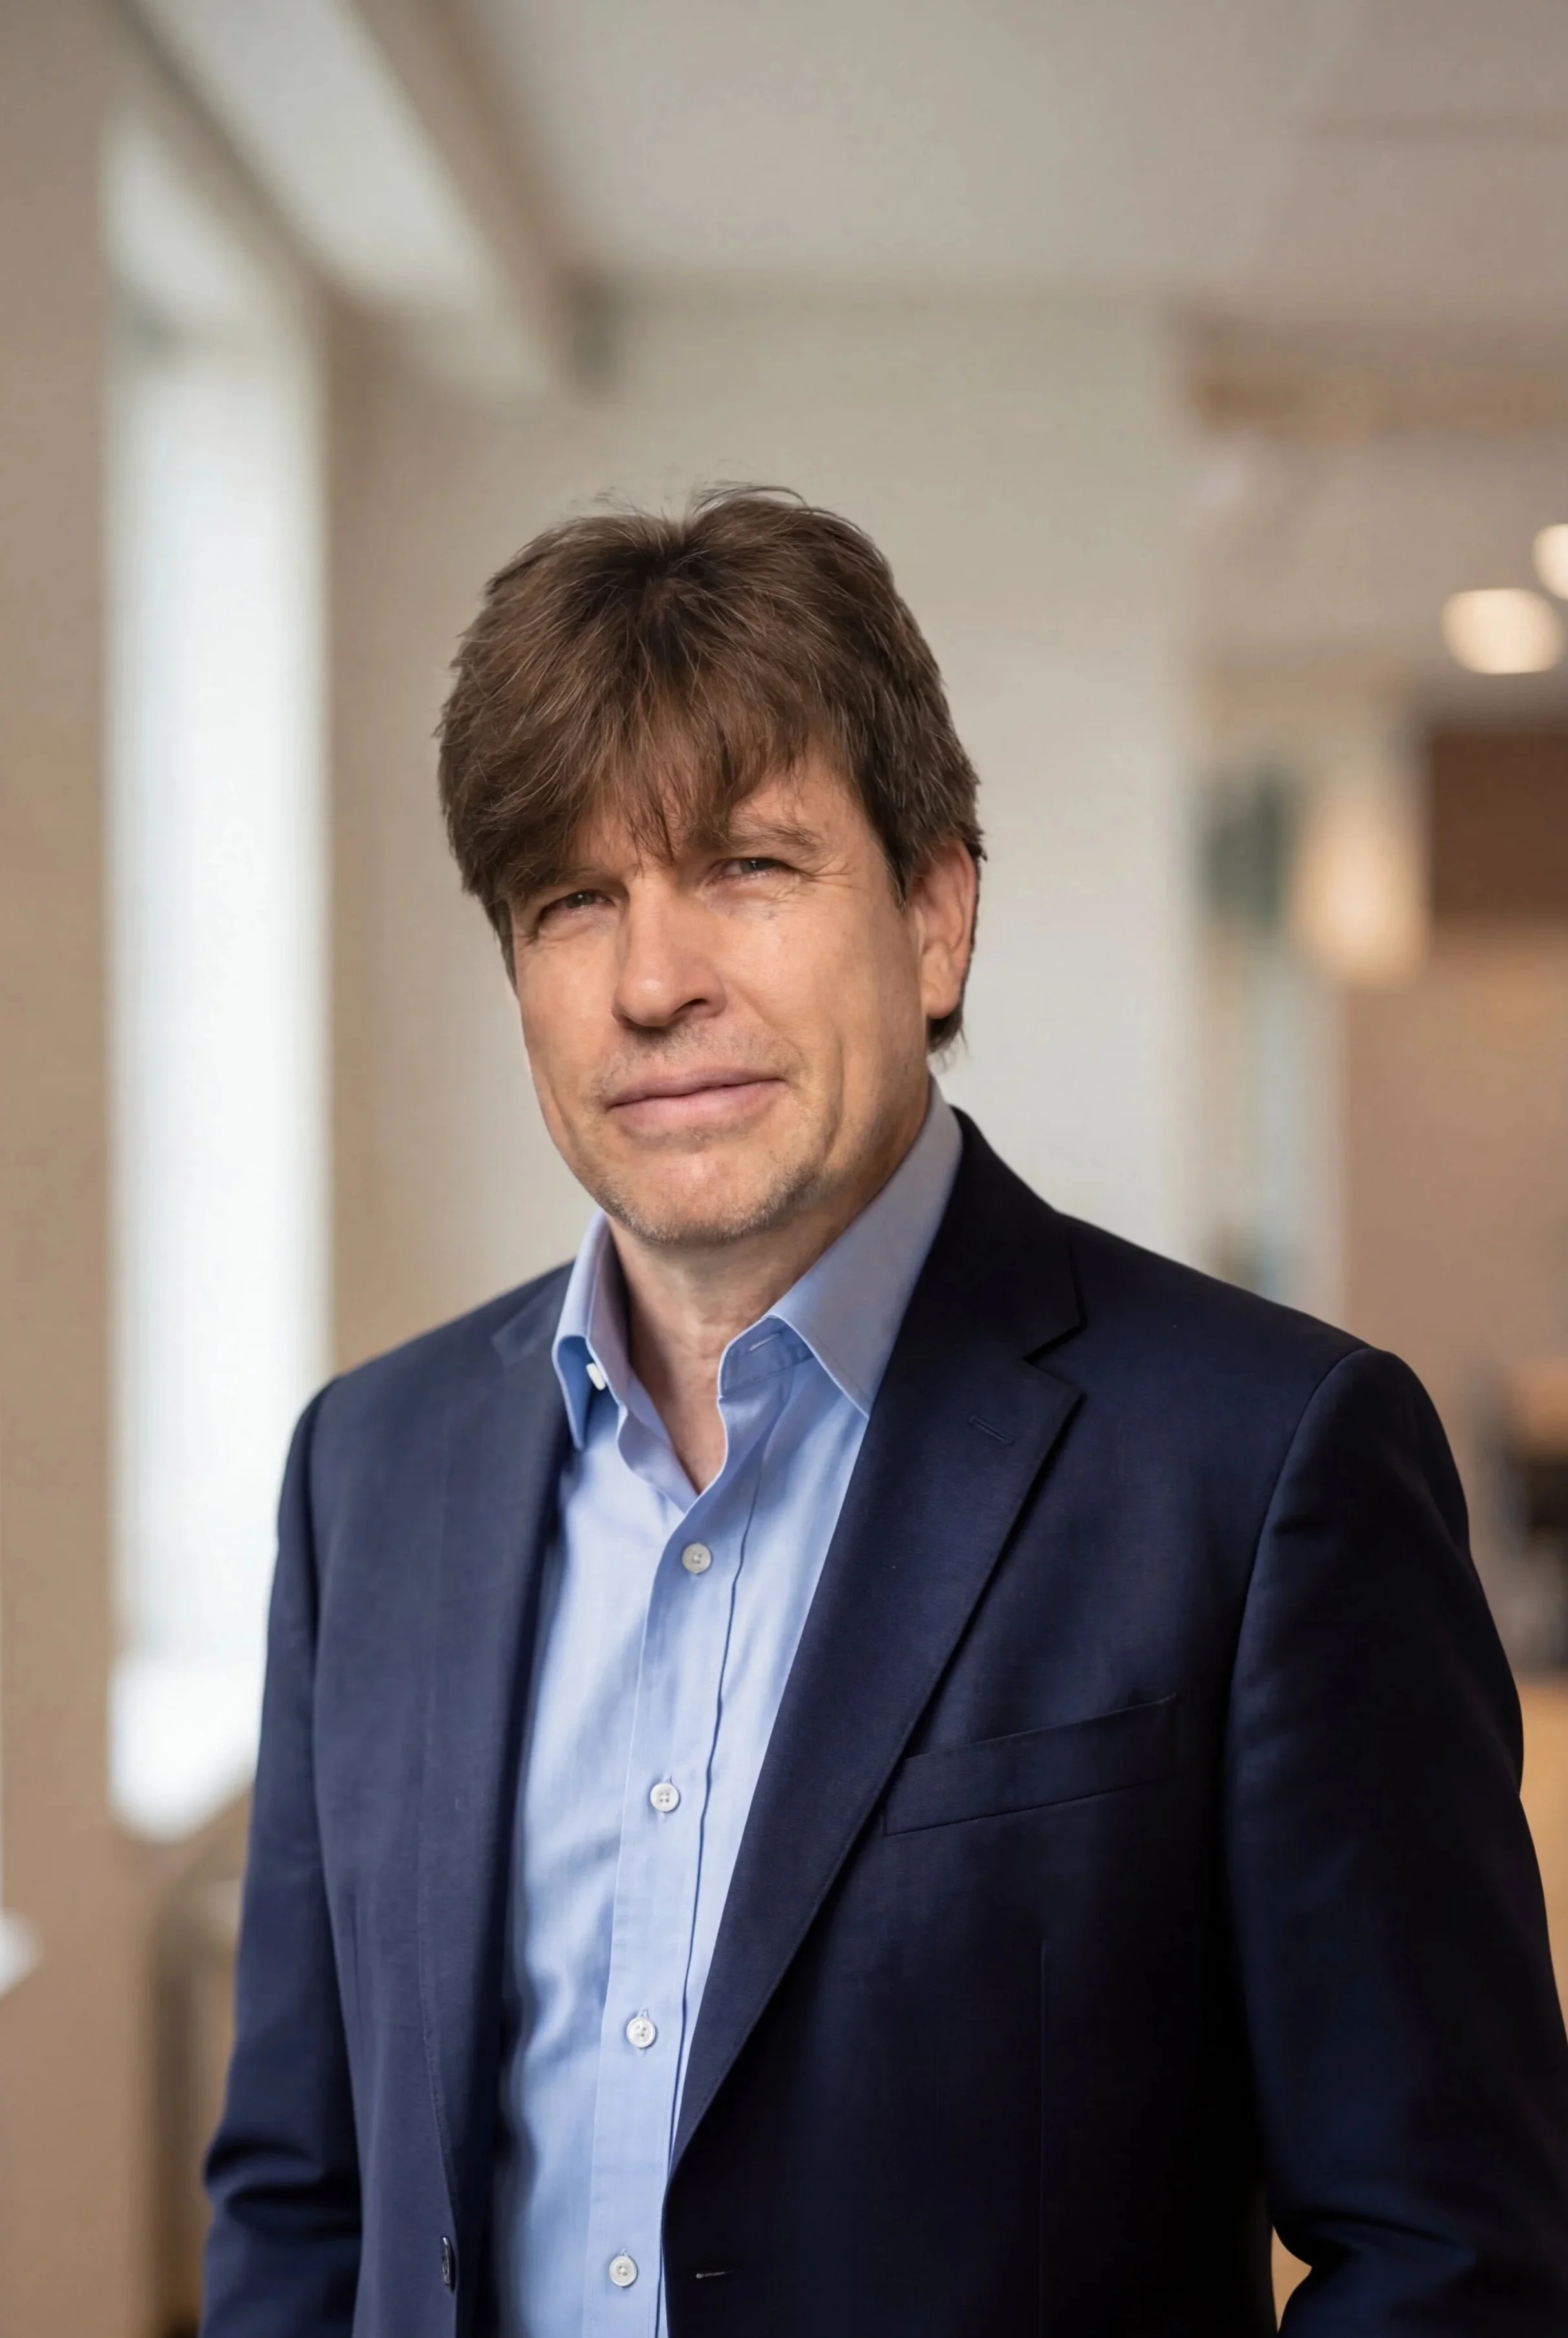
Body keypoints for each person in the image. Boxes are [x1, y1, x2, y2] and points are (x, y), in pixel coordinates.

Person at [201, 489, 1568, 2338]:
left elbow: (1450, 2255)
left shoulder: (1261, 1468)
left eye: (747, 870)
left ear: (935, 916)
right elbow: (302, 2190)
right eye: (572, 899)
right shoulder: (366, 1473)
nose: (653, 977)